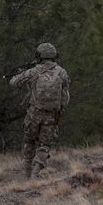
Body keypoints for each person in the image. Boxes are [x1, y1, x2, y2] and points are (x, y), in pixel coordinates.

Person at [9, 42, 70, 179]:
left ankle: (26, 174)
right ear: (54, 56)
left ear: (39, 56)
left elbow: (13, 82)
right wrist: (61, 110)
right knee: (45, 145)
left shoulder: (33, 71)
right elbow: (65, 95)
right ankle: (36, 173)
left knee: (29, 141)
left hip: (34, 114)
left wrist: (21, 74)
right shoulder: (62, 72)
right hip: (51, 115)